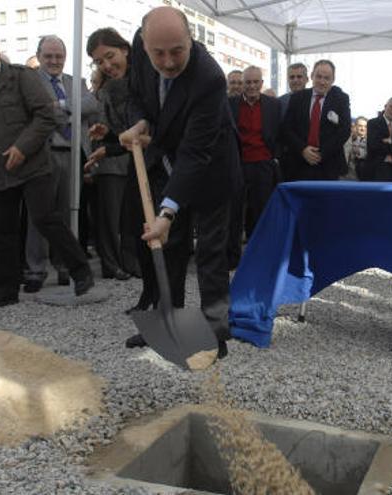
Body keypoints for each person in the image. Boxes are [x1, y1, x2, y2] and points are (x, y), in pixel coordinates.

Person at [118, 7, 241, 357]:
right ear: (144, 44)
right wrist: (140, 122)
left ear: (191, 40)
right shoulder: (143, 54)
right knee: (169, 247)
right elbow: (135, 96)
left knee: (210, 250)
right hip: (169, 162)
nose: (169, 62)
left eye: (177, 51)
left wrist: (168, 212)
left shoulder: (209, 78)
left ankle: (215, 332)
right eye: (159, 53)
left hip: (211, 166)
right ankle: (166, 322)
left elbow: (195, 152)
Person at [0, 28, 94, 310]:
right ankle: (5, 290)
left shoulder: (20, 77)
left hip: (33, 165)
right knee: (0, 230)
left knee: (45, 219)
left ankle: (80, 271)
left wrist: (22, 147)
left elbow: (46, 115)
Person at [23, 35, 101, 292]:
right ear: (39, 56)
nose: (54, 61)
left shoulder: (74, 82)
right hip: (42, 155)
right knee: (41, 216)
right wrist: (68, 112)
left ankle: (65, 266)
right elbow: (38, 112)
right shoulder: (30, 80)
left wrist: (62, 104)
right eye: (48, 56)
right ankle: (35, 270)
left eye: (59, 56)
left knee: (69, 212)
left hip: (72, 154)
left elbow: (92, 105)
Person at [84, 27, 141, 282]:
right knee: (116, 220)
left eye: (110, 56)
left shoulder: (144, 79)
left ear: (125, 50)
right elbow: (124, 133)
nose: (106, 65)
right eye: (99, 62)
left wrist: (110, 141)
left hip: (146, 159)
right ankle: (119, 266)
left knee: (135, 220)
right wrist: (107, 136)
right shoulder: (108, 92)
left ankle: (135, 265)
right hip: (123, 160)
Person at [227, 65, 280, 265]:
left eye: (255, 82)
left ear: (261, 83)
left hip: (262, 165)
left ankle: (258, 257)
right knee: (234, 213)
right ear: (242, 84)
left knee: (260, 213)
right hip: (237, 164)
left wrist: (274, 157)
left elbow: (278, 132)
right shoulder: (230, 104)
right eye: (247, 82)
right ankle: (232, 257)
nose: (251, 86)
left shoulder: (273, 105)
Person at [280, 60, 351, 181]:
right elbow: (287, 128)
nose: (322, 82)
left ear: (333, 80)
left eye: (327, 78)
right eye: (319, 77)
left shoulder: (341, 99)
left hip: (328, 164)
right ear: (312, 76)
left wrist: (321, 153)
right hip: (299, 163)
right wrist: (303, 149)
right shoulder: (298, 98)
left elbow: (344, 131)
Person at [364, 97, 392, 181]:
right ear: (385, 107)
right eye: (391, 106)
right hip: (375, 170)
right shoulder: (373, 123)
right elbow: (374, 145)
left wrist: (390, 141)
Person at [342, 116, 367, 181]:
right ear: (355, 126)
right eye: (360, 126)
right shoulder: (346, 139)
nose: (363, 128)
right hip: (347, 178)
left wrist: (359, 151)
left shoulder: (371, 142)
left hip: (364, 179)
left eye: (365, 126)